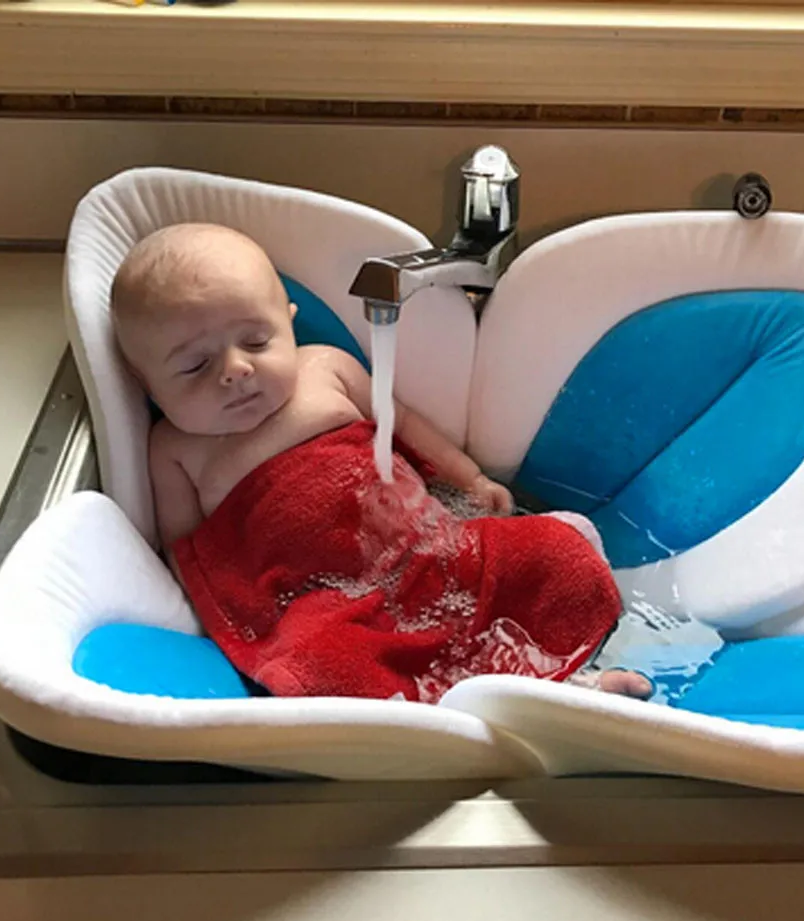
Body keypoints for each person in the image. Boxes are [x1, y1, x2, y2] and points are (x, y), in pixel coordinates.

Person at [111, 222, 651, 702]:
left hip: (434, 554)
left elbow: (404, 425)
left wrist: (468, 476)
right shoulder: (175, 449)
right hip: (327, 607)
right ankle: (449, 714)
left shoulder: (325, 370)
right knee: (318, 671)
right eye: (195, 366)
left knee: (558, 553)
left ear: (289, 325)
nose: (235, 370)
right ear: (145, 381)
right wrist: (232, 629)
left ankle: (570, 683)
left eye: (256, 341)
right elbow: (189, 557)